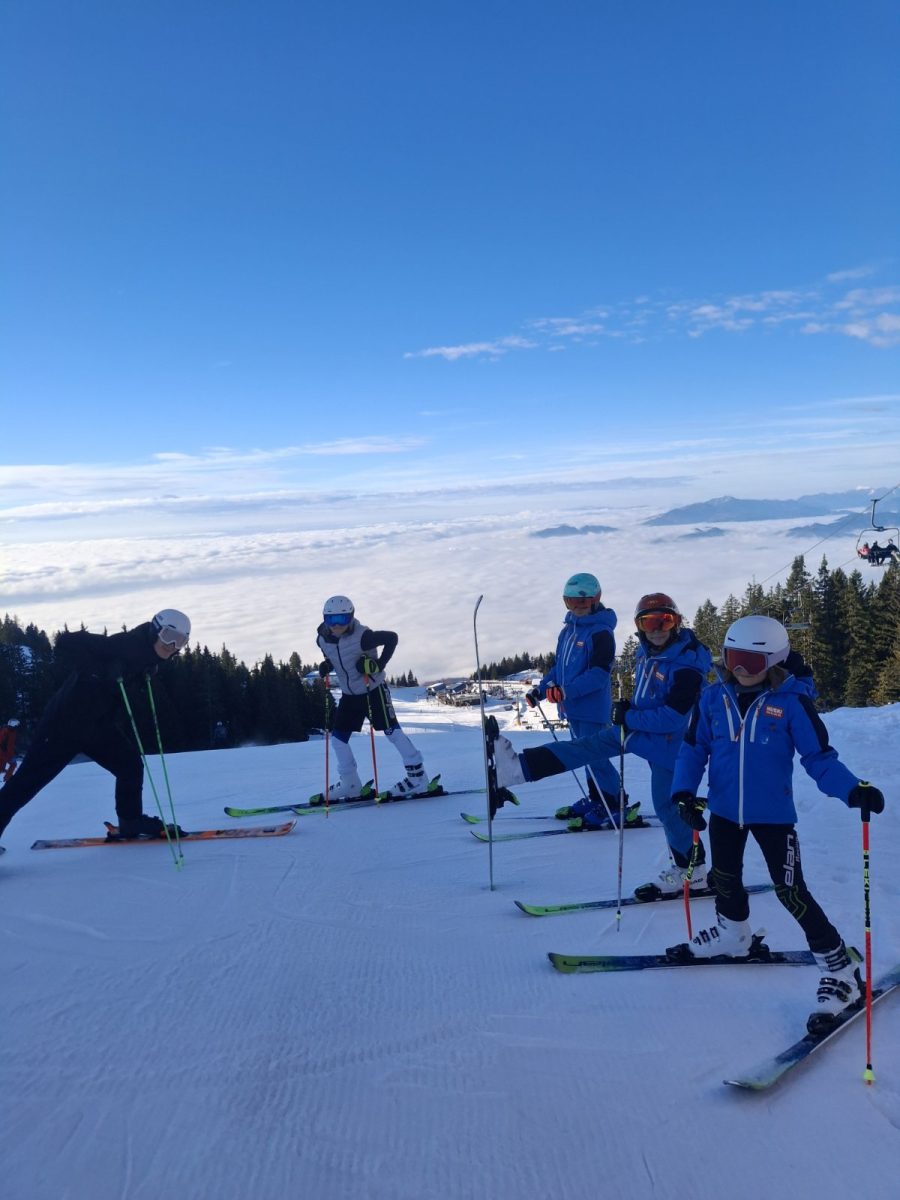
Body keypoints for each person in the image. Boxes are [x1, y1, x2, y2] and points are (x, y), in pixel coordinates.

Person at [671, 614, 885, 1032]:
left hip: (774, 817)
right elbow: (693, 749)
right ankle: (733, 933)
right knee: (724, 879)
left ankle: (841, 970)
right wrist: (683, 793)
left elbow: (819, 758)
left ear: (774, 660)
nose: (740, 669)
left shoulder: (791, 702)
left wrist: (851, 790)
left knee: (791, 892)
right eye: (732, 658)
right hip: (724, 813)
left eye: (752, 661)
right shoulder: (713, 699)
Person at [495, 594, 713, 883]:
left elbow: (673, 718)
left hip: (672, 744)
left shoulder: (687, 666)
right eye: (648, 622)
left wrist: (628, 716)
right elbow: (652, 696)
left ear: (676, 622)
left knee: (667, 807)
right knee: (587, 747)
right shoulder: (648, 652)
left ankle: (693, 870)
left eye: (664, 621)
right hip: (643, 730)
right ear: (639, 626)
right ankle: (519, 768)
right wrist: (630, 709)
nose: (656, 629)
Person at [0, 610, 191, 844]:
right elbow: (66, 642)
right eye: (169, 636)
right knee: (27, 782)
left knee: (130, 765)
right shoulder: (125, 645)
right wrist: (98, 671)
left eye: (180, 641)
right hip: (63, 725)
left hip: (96, 727)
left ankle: (131, 822)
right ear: (155, 631)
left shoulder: (148, 658)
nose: (172, 646)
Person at [316, 595, 428, 799]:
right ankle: (350, 783)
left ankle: (418, 778)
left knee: (392, 732)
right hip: (349, 695)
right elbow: (336, 656)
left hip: (373, 690)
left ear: (351, 617)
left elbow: (392, 638)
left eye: (342, 619)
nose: (337, 625)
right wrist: (327, 665)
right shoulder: (322, 639)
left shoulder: (363, 636)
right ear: (325, 619)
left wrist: (378, 665)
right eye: (331, 620)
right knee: (338, 739)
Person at [524, 572, 616, 802]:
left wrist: (566, 691)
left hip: (592, 709)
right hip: (572, 708)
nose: (577, 606)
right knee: (586, 757)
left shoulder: (601, 632)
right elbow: (559, 669)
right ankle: (598, 800)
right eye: (571, 600)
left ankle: (614, 802)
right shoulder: (568, 631)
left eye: (582, 600)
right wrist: (540, 691)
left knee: (596, 758)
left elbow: (599, 675)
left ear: (595, 599)